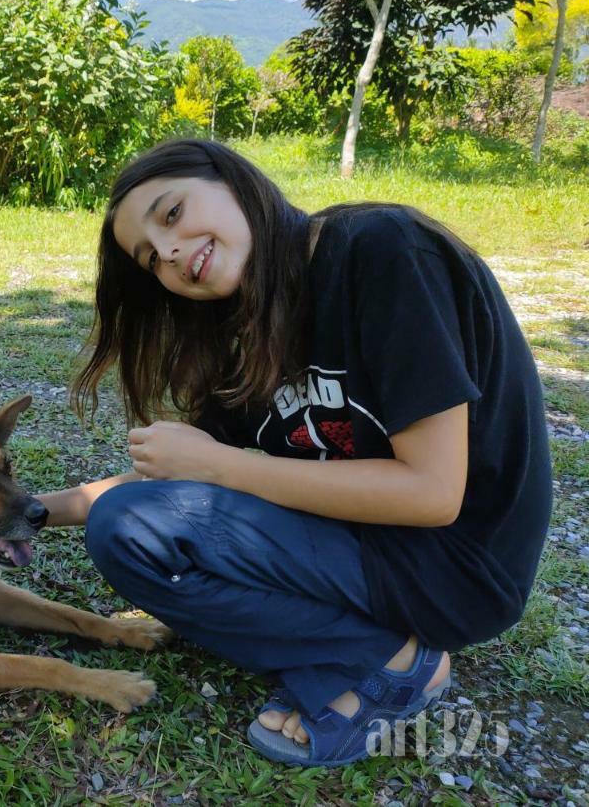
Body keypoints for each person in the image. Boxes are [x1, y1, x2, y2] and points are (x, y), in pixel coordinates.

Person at [38, 138, 551, 767]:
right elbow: (173, 490)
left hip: (457, 567)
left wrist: (222, 467)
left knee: (133, 521)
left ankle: (390, 665)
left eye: (172, 214)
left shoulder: (381, 250)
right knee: (123, 533)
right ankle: (376, 647)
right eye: (151, 261)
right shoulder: (245, 330)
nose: (169, 252)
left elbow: (434, 494)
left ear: (232, 180)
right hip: (357, 544)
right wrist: (22, 512)